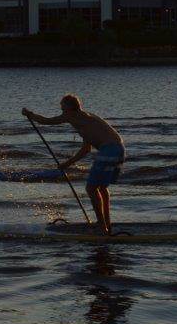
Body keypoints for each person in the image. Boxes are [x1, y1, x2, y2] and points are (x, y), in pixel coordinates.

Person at [23, 95, 125, 235]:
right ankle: (106, 225)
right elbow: (86, 149)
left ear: (70, 107)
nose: (61, 110)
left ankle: (102, 227)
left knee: (91, 188)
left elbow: (48, 121)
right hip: (119, 149)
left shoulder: (72, 115)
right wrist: (67, 164)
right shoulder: (86, 120)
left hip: (109, 150)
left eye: (63, 106)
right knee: (101, 187)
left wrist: (30, 114)